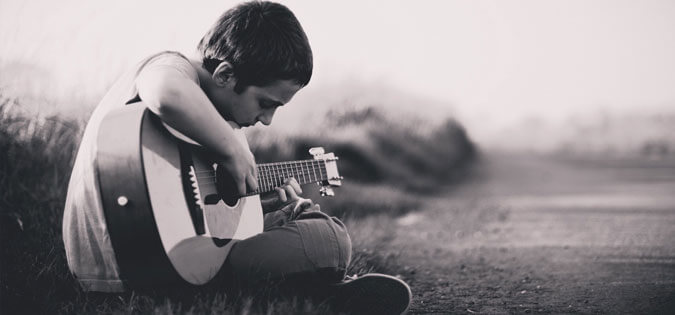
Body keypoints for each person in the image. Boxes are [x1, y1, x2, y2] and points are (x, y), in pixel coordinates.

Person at [62, 1, 410, 313]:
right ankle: (309, 288)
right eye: (265, 103)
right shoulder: (169, 67)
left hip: (154, 256)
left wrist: (262, 204)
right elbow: (166, 94)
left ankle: (304, 291)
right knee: (330, 239)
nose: (267, 120)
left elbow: (193, 209)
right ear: (225, 74)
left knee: (294, 215)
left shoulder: (212, 118)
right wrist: (232, 150)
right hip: (132, 263)